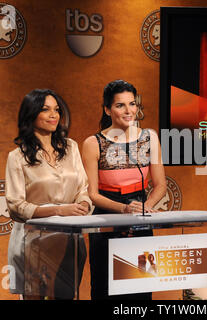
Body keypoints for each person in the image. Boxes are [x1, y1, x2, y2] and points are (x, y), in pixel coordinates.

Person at [82, 79, 166, 300]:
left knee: (141, 289)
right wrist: (124, 210)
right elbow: (93, 194)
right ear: (107, 109)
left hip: (140, 219)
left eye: (132, 104)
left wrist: (143, 210)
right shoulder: (93, 143)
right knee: (105, 288)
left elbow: (160, 186)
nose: (129, 111)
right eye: (120, 105)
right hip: (106, 219)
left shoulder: (150, 137)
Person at [5, 88, 92, 300]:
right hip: (33, 241)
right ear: (31, 114)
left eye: (57, 110)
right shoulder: (17, 157)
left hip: (68, 240)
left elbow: (83, 188)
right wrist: (61, 210)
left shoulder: (70, 147)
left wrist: (84, 205)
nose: (54, 115)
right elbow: (16, 206)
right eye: (46, 110)